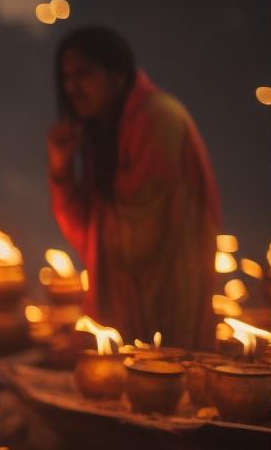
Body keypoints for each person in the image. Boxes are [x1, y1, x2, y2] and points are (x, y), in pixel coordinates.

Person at [47, 26, 220, 349]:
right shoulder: (102, 130)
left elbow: (144, 234)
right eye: (66, 78)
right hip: (128, 307)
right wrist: (61, 168)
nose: (72, 88)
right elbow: (86, 232)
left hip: (167, 304)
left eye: (84, 75)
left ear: (118, 74)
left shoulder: (158, 118)